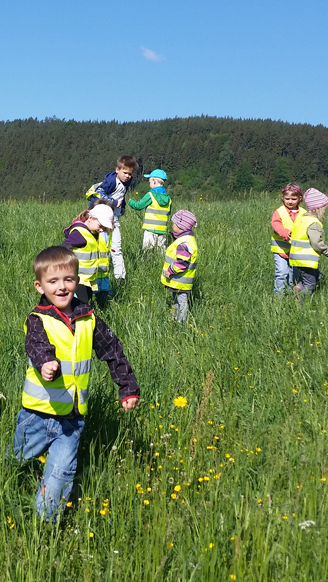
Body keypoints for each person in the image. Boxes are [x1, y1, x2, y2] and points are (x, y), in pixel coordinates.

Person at [12, 245, 140, 521]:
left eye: (68, 279)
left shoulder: (89, 318)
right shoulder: (38, 320)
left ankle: (45, 526)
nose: (61, 287)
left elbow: (112, 350)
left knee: (61, 471)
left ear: (77, 281)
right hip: (37, 413)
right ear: (39, 286)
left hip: (72, 416)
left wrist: (127, 387)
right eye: (53, 281)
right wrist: (46, 363)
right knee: (18, 461)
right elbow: (36, 346)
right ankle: (11, 488)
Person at [86, 155, 138, 280]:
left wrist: (123, 207)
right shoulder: (111, 181)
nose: (127, 176)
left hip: (114, 218)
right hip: (101, 218)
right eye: (125, 172)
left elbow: (122, 195)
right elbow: (99, 192)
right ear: (117, 170)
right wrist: (114, 202)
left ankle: (120, 277)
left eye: (130, 174)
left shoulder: (127, 182)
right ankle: (97, 275)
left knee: (116, 246)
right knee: (101, 247)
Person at [61, 204, 114, 303]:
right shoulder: (79, 233)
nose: (102, 229)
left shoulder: (92, 232)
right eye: (100, 225)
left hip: (88, 280)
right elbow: (62, 250)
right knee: (79, 307)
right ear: (91, 218)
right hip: (78, 280)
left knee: (83, 305)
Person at [289, 188, 328, 295]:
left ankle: (297, 289)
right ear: (318, 208)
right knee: (310, 284)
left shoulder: (302, 219)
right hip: (306, 259)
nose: (325, 211)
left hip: (297, 256)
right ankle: (300, 303)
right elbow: (316, 242)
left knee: (316, 276)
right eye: (324, 208)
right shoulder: (314, 223)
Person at [159, 209, 198, 322]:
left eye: (174, 224)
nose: (172, 226)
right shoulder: (185, 240)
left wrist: (170, 270)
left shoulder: (183, 243)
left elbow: (181, 263)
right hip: (178, 281)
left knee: (182, 301)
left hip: (180, 281)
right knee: (176, 300)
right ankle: (175, 319)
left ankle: (182, 322)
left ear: (181, 227)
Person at [270, 184, 304, 294]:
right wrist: (284, 232)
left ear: (300, 198)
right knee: (281, 272)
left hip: (296, 250)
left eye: (293, 199)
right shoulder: (279, 212)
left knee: (293, 275)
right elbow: (275, 223)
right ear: (282, 198)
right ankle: (278, 296)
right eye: (287, 199)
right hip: (280, 249)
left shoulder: (304, 213)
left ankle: (290, 295)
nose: (290, 201)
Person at [128, 169, 171, 252]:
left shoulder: (150, 195)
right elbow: (169, 211)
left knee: (147, 251)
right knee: (161, 252)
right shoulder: (168, 198)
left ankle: (146, 264)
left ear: (154, 181)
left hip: (150, 229)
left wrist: (130, 202)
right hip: (162, 229)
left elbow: (139, 206)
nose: (149, 184)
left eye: (149, 182)